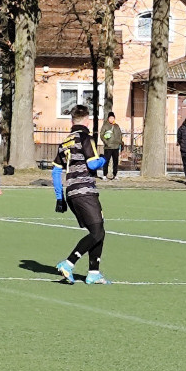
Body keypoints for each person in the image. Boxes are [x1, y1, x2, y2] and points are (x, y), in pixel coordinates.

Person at [53, 105, 110, 285]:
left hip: (71, 192)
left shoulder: (65, 142)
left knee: (98, 231)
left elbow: (56, 173)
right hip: (85, 191)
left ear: (72, 121)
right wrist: (104, 158)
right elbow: (93, 164)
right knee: (97, 231)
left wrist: (59, 198)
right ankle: (69, 263)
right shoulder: (86, 138)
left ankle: (94, 272)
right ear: (87, 120)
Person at [99, 112, 124, 179]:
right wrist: (106, 142)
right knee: (106, 161)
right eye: (110, 118)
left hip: (116, 147)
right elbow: (101, 135)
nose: (111, 119)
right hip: (108, 147)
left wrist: (121, 142)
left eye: (113, 118)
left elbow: (120, 135)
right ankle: (104, 175)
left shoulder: (116, 126)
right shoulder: (105, 126)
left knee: (115, 162)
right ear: (108, 118)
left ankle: (115, 174)